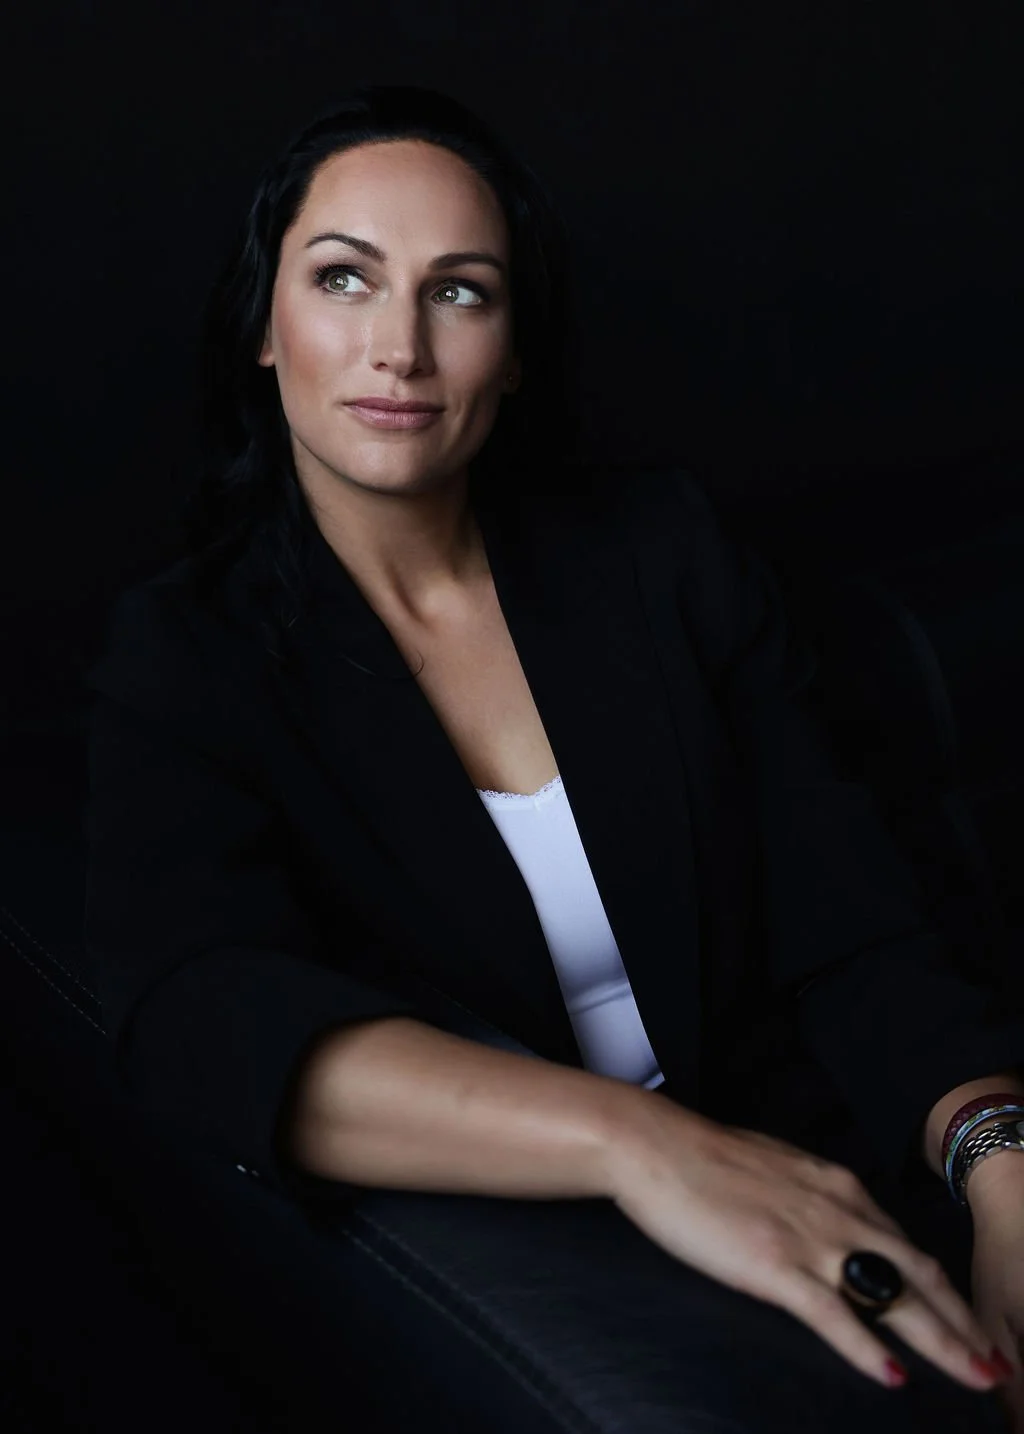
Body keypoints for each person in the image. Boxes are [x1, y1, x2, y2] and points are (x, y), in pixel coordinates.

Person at [82, 83, 1024, 1431]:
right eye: (345, 278)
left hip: (833, 1161)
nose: (397, 346)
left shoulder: (660, 559)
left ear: (514, 348)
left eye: (459, 292)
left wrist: (1001, 1164)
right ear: (263, 328)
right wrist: (638, 1145)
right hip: (562, 1246)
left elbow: (858, 929)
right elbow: (203, 1010)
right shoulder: (187, 654)